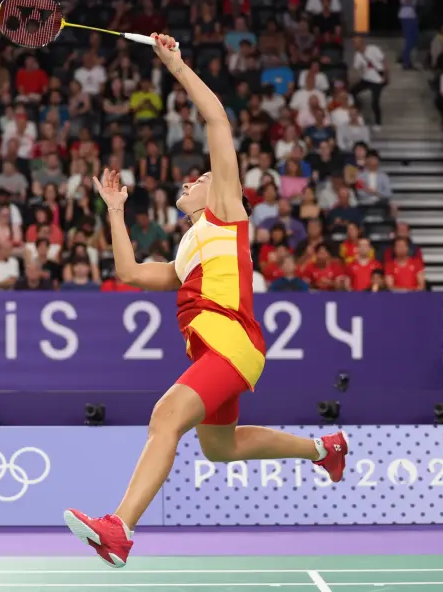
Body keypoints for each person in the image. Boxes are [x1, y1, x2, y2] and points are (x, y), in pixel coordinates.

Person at [63, 33, 349, 568]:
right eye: (196, 179)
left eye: (203, 177)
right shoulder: (186, 252)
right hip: (219, 351)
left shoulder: (227, 213)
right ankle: (324, 450)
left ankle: (119, 527)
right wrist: (114, 211)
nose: (195, 180)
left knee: (165, 417)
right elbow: (126, 271)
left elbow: (217, 120)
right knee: (220, 447)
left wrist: (175, 65)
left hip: (230, 343)